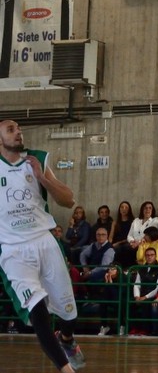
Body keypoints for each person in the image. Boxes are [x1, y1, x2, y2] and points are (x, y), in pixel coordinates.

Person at [0, 119, 85, 372]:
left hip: (44, 240)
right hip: (12, 248)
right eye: (11, 130)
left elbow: (68, 201)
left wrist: (41, 178)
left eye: (19, 129)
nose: (18, 133)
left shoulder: (37, 159)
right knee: (37, 309)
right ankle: (66, 369)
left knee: (69, 312)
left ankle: (67, 338)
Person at [130, 246, 158, 335]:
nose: (149, 257)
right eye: (147, 255)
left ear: (155, 256)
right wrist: (137, 296)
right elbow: (137, 284)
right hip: (141, 294)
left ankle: (145, 329)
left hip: (153, 295)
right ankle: (133, 328)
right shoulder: (141, 268)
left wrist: (145, 297)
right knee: (130, 302)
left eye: (152, 255)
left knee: (146, 303)